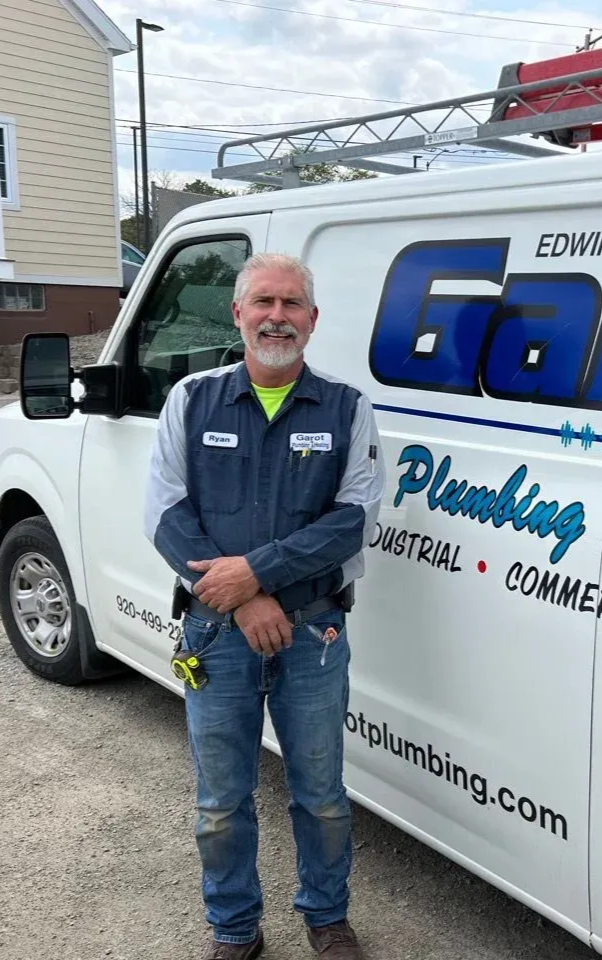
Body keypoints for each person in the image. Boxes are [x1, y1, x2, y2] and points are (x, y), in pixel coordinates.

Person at [143, 252, 385, 960]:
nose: (276, 317)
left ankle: (326, 916)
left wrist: (255, 574)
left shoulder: (346, 406)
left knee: (321, 793)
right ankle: (235, 929)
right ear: (238, 313)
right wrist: (246, 601)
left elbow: (352, 519)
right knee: (220, 802)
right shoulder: (192, 398)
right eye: (263, 303)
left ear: (312, 320)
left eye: (291, 305)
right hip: (215, 634)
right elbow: (166, 514)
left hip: (314, 633)